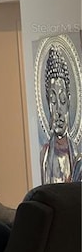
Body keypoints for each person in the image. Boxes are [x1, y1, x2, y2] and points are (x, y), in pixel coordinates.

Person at [40, 43, 82, 183]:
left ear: (69, 101)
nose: (58, 110)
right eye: (53, 100)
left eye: (62, 100)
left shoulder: (76, 155)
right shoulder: (46, 155)